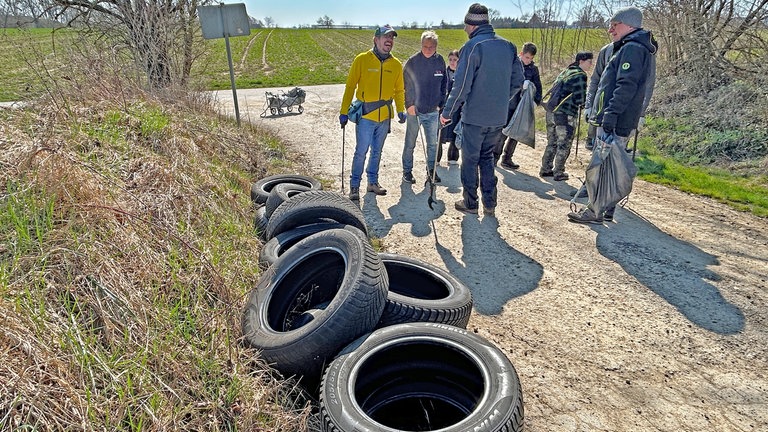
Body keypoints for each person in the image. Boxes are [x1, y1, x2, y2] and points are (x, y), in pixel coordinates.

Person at [568, 6, 657, 224]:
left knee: (603, 165)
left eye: (614, 25)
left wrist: (610, 114)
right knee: (609, 164)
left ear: (629, 25)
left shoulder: (633, 49)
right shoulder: (631, 47)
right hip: (618, 117)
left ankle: (594, 211)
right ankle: (604, 208)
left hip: (616, 119)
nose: (610, 30)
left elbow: (625, 86)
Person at [440, 3, 524, 217]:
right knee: (487, 158)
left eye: (465, 25)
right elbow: (518, 80)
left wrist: (447, 113)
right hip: (497, 118)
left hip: (475, 118)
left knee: (469, 160)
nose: (464, 29)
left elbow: (461, 86)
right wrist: (501, 100)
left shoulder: (472, 47)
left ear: (471, 25)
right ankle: (490, 203)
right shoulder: (508, 46)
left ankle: (470, 202)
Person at [339, 24, 406, 201]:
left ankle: (372, 183)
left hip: (384, 117)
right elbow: (350, 86)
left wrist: (400, 110)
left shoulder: (397, 65)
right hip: (366, 117)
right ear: (376, 40)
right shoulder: (362, 59)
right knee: (361, 152)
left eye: (392, 37)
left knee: (377, 152)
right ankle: (354, 186)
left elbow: (399, 91)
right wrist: (343, 111)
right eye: (386, 37)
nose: (389, 40)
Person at [401, 30, 447, 185]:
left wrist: (441, 104)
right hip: (415, 111)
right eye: (426, 46)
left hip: (433, 111)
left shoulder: (440, 61)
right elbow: (406, 85)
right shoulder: (412, 62)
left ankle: (431, 171)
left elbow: (444, 85)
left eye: (432, 46)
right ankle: (407, 171)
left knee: (433, 144)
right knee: (410, 143)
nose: (428, 49)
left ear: (436, 46)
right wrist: (409, 104)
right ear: (421, 45)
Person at [539, 51, 592, 181]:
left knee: (552, 142)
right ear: (581, 61)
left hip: (551, 112)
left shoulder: (565, 72)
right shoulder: (580, 75)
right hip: (565, 114)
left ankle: (545, 169)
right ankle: (559, 172)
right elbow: (581, 99)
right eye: (589, 62)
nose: (591, 65)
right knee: (564, 143)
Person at [499, 42, 543, 170]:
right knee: (504, 130)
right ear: (521, 54)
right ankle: (495, 156)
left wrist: (536, 101)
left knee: (516, 133)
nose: (529, 61)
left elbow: (538, 86)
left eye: (531, 58)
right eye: (527, 57)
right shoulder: (512, 65)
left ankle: (507, 158)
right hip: (509, 103)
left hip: (522, 105)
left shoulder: (533, 70)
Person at [437, 49, 460, 165]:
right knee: (439, 134)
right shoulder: (444, 73)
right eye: (450, 59)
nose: (452, 62)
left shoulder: (462, 75)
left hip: (457, 109)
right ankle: (436, 159)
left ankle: (453, 158)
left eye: (455, 60)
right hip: (444, 107)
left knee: (455, 133)